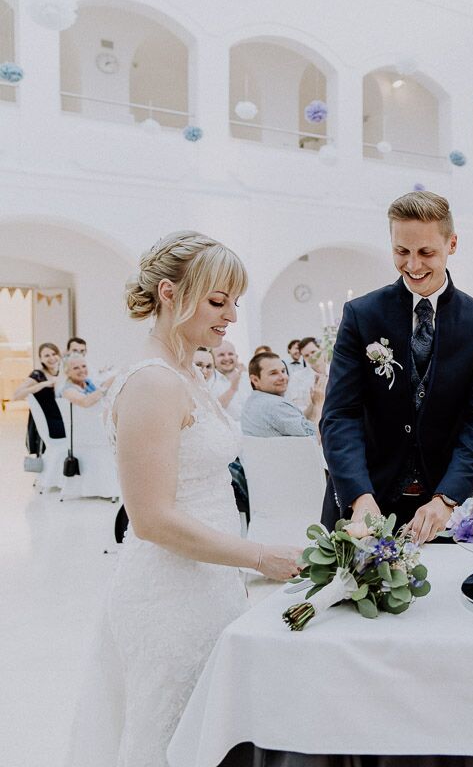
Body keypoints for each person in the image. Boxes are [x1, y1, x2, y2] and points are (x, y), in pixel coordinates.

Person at [66, 231, 301, 767]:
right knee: (170, 740)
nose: (230, 317)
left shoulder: (187, 370)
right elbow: (150, 519)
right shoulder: (152, 382)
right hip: (169, 595)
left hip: (209, 579)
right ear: (170, 294)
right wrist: (262, 556)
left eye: (234, 303)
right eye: (217, 302)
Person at [320, 190, 473, 544]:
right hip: (368, 503)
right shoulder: (361, 315)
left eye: (426, 252)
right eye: (401, 252)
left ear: (452, 244)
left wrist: (448, 498)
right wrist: (359, 496)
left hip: (450, 508)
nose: (413, 265)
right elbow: (339, 415)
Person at [241, 351, 319, 438]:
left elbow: (298, 421)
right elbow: (319, 436)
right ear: (255, 380)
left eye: (283, 371)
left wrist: (314, 403)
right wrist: (320, 403)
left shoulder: (252, 401)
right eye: (273, 373)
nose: (283, 377)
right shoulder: (277, 406)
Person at [13, 342, 65, 457]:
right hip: (49, 422)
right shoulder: (37, 375)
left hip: (61, 417)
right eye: (47, 355)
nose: (51, 358)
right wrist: (42, 385)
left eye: (54, 353)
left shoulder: (62, 373)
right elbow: (16, 396)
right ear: (41, 359)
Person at [285, 336, 327, 417]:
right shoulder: (297, 378)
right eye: (307, 355)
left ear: (321, 349)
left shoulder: (336, 371)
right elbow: (296, 408)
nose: (311, 356)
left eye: (313, 352)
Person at [211, 340, 250, 420]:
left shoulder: (249, 378)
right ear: (213, 360)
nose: (227, 358)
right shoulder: (210, 381)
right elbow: (213, 410)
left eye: (230, 354)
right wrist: (233, 388)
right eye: (221, 355)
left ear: (236, 357)